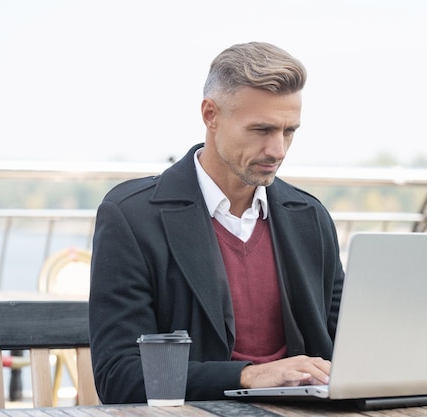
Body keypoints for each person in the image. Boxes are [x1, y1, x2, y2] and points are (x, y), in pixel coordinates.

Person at [89, 41, 345, 403]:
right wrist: (250, 376)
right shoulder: (131, 217)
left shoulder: (310, 217)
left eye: (289, 131)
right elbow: (119, 376)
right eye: (261, 130)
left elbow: (348, 350)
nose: (278, 150)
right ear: (211, 114)